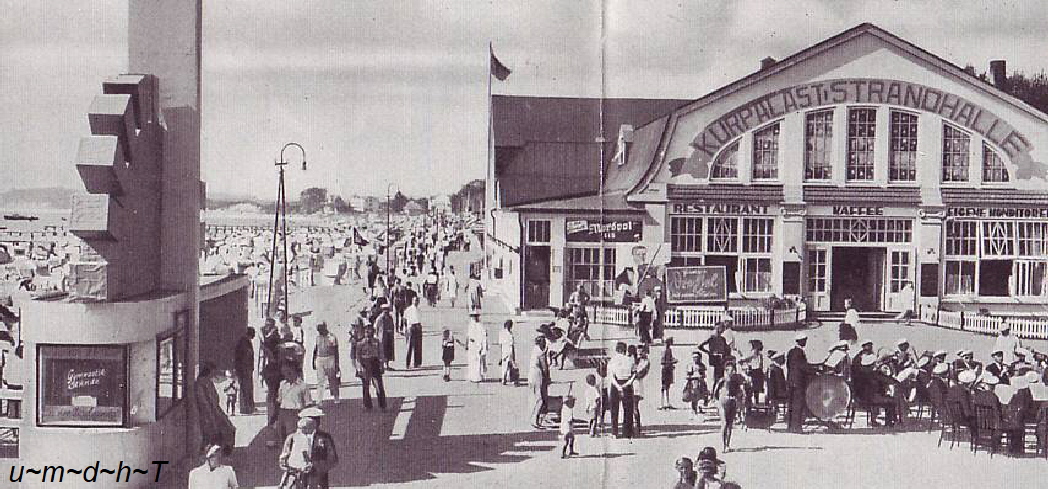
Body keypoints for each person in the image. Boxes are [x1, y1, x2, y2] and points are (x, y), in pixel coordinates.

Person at [195, 363, 236, 454]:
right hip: (209, 412)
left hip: (215, 410)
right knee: (217, 431)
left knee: (229, 428)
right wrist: (212, 413)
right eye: (213, 372)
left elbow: (214, 397)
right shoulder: (201, 383)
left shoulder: (208, 382)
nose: (214, 375)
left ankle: (226, 450)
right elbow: (204, 401)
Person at [295, 406, 339, 488]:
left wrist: (317, 467)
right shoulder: (294, 438)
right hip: (300, 479)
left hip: (319, 480)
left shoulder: (324, 437)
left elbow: (333, 458)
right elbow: (286, 458)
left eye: (317, 420)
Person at [711, 362, 748, 452]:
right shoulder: (721, 380)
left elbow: (741, 392)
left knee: (730, 424)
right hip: (723, 403)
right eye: (729, 370)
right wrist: (716, 402)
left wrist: (740, 398)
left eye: (733, 370)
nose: (731, 372)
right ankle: (723, 445)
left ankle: (727, 444)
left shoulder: (737, 381)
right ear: (725, 370)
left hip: (732, 402)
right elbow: (714, 393)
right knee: (724, 423)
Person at [785, 333, 816, 432]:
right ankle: (797, 427)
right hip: (798, 382)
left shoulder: (791, 351)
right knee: (798, 404)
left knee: (791, 404)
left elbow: (789, 366)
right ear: (801, 341)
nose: (805, 342)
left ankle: (790, 426)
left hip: (791, 381)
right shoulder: (799, 352)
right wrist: (814, 370)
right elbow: (803, 366)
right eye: (805, 340)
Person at [277, 365, 313, 442]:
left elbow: (308, 403)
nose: (286, 375)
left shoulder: (303, 386)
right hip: (283, 412)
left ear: (295, 372)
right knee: (282, 436)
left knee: (293, 436)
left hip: (295, 412)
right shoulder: (282, 384)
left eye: (289, 372)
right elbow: (279, 400)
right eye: (285, 373)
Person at [607, 342, 636, 438]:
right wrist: (626, 384)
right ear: (625, 350)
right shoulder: (630, 360)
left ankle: (614, 432)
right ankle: (627, 432)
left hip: (615, 384)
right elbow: (634, 374)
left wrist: (618, 386)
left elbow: (611, 376)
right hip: (626, 384)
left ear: (617, 350)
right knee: (628, 409)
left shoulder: (612, 360)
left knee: (614, 410)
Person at [260, 320, 284, 432]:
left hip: (274, 369)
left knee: (273, 396)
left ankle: (274, 419)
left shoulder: (273, 337)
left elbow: (268, 348)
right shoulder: (273, 336)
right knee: (274, 396)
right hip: (273, 369)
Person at [356, 325, 387, 410]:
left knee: (378, 385)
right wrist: (359, 368)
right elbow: (358, 357)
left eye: (370, 331)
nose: (368, 333)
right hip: (365, 363)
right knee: (366, 386)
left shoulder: (377, 342)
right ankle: (367, 405)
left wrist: (382, 365)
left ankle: (382, 405)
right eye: (367, 331)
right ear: (364, 333)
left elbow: (381, 354)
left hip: (375, 363)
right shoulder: (360, 343)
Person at [313, 323, 340, 403]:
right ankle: (319, 399)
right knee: (320, 380)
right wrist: (313, 360)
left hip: (330, 358)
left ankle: (336, 397)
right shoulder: (318, 337)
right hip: (320, 358)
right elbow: (316, 349)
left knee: (332, 379)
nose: (319, 332)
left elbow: (336, 351)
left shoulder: (332, 337)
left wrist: (337, 363)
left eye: (321, 330)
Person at [528, 336, 551, 428]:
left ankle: (536, 418)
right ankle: (535, 420)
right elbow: (544, 367)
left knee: (535, 397)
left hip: (531, 375)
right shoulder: (540, 353)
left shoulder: (534, 350)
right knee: (540, 399)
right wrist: (548, 378)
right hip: (538, 375)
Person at [233, 328, 256, 415]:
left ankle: (248, 407)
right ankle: (246, 408)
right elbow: (246, 356)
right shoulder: (244, 342)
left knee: (247, 388)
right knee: (245, 388)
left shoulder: (245, 341)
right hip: (245, 369)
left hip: (246, 369)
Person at [738, 339, 765, 405]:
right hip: (759, 371)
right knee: (757, 389)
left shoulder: (754, 352)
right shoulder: (760, 354)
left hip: (755, 371)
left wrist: (741, 359)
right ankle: (756, 402)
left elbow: (747, 358)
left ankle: (751, 402)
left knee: (752, 387)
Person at [632, 345, 651, 432]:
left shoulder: (646, 361)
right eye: (638, 350)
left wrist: (634, 373)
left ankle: (637, 425)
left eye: (641, 351)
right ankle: (635, 424)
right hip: (630, 384)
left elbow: (642, 373)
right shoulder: (632, 358)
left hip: (637, 385)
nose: (639, 352)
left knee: (635, 406)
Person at [685, 350, 709, 419]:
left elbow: (704, 374)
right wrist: (692, 377)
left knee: (704, 393)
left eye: (697, 358)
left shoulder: (702, 365)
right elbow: (688, 375)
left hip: (700, 381)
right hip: (693, 381)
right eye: (694, 358)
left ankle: (702, 405)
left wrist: (702, 376)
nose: (696, 359)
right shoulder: (690, 365)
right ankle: (694, 409)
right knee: (693, 395)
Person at [466, 312, 489, 383]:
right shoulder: (471, 325)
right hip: (472, 345)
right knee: (472, 361)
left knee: (477, 361)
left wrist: (483, 346)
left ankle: (477, 376)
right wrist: (467, 344)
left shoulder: (480, 326)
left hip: (477, 345)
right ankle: (472, 376)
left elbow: (483, 337)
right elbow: (468, 336)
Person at [374, 303, 396, 371]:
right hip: (382, 337)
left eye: (387, 310)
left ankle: (387, 365)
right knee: (382, 351)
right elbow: (376, 328)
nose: (386, 311)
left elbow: (392, 326)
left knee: (389, 351)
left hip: (389, 336)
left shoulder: (390, 318)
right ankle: (382, 366)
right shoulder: (379, 318)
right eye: (384, 310)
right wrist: (377, 336)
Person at [404, 297, 423, 369]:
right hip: (411, 327)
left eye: (417, 301)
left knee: (418, 346)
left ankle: (417, 363)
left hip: (418, 326)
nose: (416, 302)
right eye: (415, 300)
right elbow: (405, 319)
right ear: (412, 301)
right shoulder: (408, 309)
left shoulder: (419, 310)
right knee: (409, 346)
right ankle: (408, 364)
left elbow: (420, 319)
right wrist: (406, 328)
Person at [660, 337, 678, 410]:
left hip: (669, 369)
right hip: (666, 370)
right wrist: (672, 362)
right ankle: (662, 403)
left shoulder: (668, 350)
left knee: (667, 387)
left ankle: (667, 402)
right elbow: (663, 361)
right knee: (664, 387)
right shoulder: (665, 350)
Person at [499, 320, 518, 386]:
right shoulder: (510, 334)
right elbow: (511, 345)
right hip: (508, 352)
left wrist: (500, 355)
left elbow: (500, 345)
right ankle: (509, 379)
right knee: (510, 366)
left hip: (505, 352)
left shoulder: (502, 333)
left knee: (506, 366)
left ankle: (504, 379)